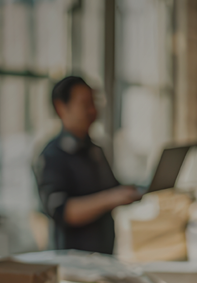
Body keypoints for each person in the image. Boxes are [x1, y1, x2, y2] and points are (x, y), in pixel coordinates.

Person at [34, 76, 141, 254]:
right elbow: (64, 212)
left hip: (104, 255)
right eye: (85, 104)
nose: (92, 110)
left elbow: (112, 189)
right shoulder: (52, 156)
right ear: (61, 107)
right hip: (72, 263)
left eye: (94, 103)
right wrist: (111, 198)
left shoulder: (96, 150)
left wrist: (134, 191)